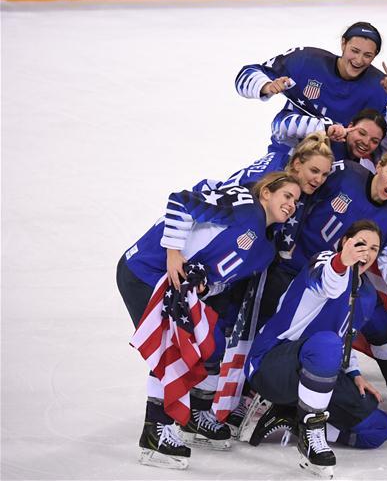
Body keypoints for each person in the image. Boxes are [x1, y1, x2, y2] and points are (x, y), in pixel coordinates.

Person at [117, 172, 302, 469]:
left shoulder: (264, 252)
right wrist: (174, 253)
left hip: (177, 287)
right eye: (287, 195)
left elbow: (219, 282)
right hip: (144, 271)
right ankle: (155, 431)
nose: (292, 204)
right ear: (266, 192)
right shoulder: (243, 205)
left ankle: (196, 415)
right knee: (171, 349)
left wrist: (205, 285)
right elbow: (181, 202)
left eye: (296, 200)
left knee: (212, 342)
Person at [276, 149, 387, 418]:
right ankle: (262, 384)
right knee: (278, 320)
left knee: (380, 323)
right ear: (378, 166)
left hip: (345, 279)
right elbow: (306, 186)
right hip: (299, 266)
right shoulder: (346, 173)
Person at [246, 221, 387, 477]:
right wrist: (342, 261)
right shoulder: (325, 261)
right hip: (272, 365)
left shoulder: (367, 294)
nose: (367, 252)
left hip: (319, 366)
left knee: (378, 428)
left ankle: (296, 418)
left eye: (374, 248)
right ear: (345, 242)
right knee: (326, 343)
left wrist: (354, 372)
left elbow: (346, 337)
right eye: (361, 244)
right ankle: (311, 431)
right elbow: (329, 283)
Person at [235, 22, 387, 126]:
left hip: (342, 159)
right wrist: (266, 86)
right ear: (343, 43)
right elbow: (245, 75)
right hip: (292, 150)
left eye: (367, 55)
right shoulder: (305, 61)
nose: (359, 60)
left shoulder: (381, 87)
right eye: (354, 51)